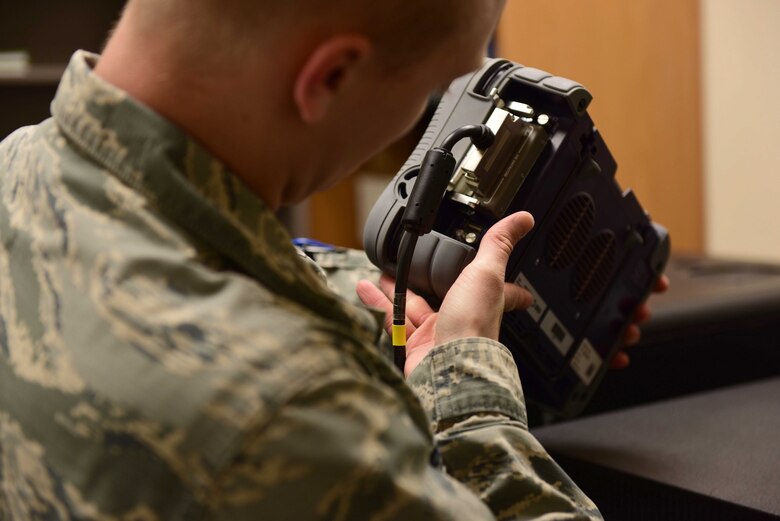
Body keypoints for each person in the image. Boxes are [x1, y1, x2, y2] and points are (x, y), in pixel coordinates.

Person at [0, 0, 666, 518]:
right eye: (432, 93)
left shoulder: (16, 166)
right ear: (332, 76)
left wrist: (409, 324)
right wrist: (468, 391)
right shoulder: (291, 416)